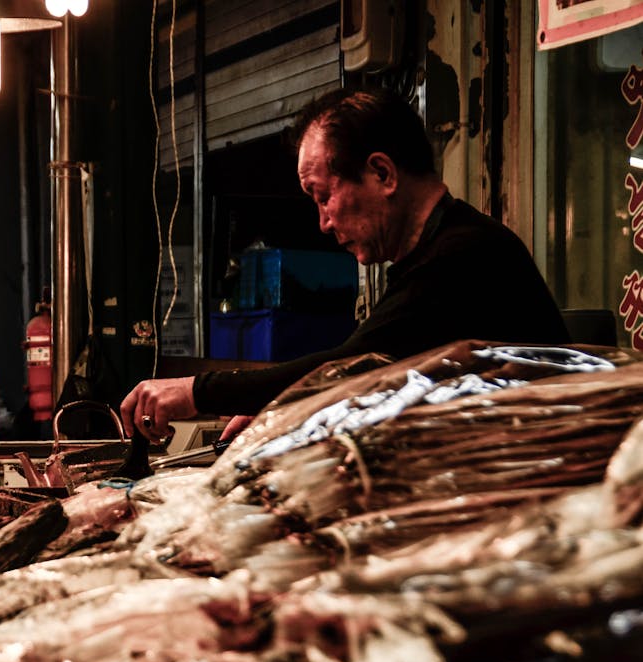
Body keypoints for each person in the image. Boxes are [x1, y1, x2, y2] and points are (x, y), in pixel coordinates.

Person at [121, 87, 571, 443]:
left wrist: (196, 391)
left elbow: (353, 366)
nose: (322, 223)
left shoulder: (464, 254)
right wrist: (283, 405)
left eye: (324, 196)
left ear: (382, 174)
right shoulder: (432, 253)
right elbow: (362, 376)